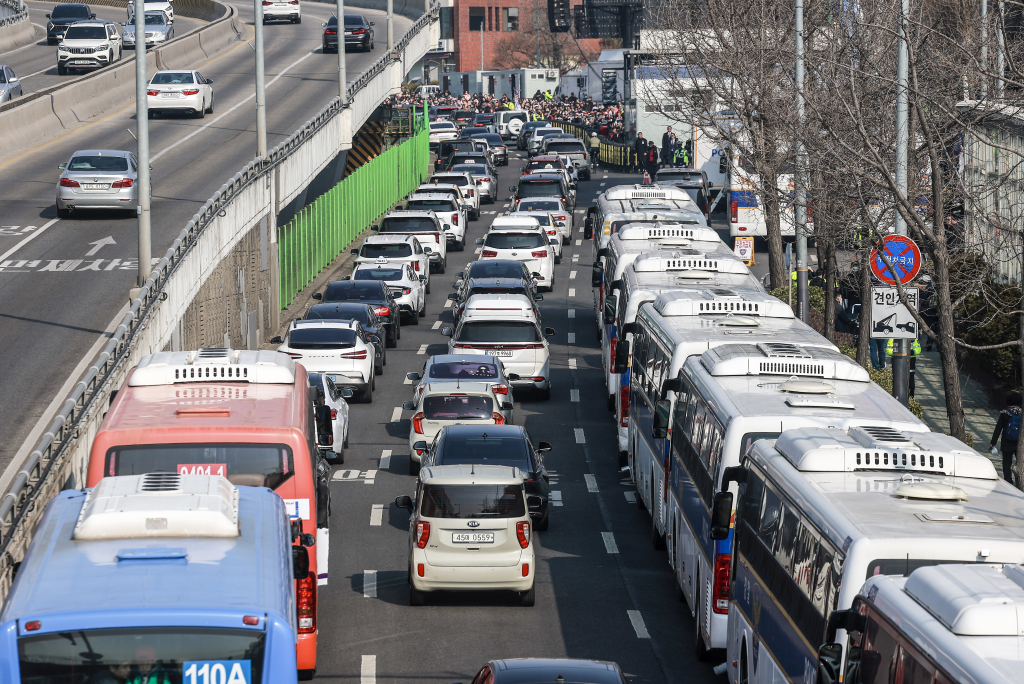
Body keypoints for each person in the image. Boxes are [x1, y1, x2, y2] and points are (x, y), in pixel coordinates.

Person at [991, 392, 1022, 486]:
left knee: (1006, 463)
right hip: (1019, 443)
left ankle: (1008, 483)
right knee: (1020, 463)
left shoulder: (1005, 413)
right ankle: (1020, 482)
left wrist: (993, 442)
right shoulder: (1022, 414)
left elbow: (998, 429)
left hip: (1006, 442)